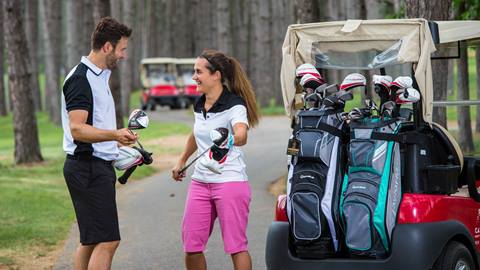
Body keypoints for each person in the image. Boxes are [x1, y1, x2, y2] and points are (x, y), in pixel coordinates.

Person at [172, 49, 260, 270]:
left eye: (198, 72)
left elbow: (241, 133)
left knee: (236, 246)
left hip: (230, 182)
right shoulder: (200, 104)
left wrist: (232, 138)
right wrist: (182, 160)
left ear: (216, 75)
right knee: (191, 247)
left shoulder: (235, 104)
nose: (194, 77)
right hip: (200, 183)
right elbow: (196, 133)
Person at [61, 17, 135, 270]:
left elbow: (93, 127)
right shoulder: (81, 79)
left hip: (93, 166)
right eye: (122, 49)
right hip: (87, 169)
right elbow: (78, 129)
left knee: (91, 240)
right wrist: (114, 135)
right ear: (107, 47)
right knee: (108, 240)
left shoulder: (99, 76)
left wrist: (118, 145)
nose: (124, 55)